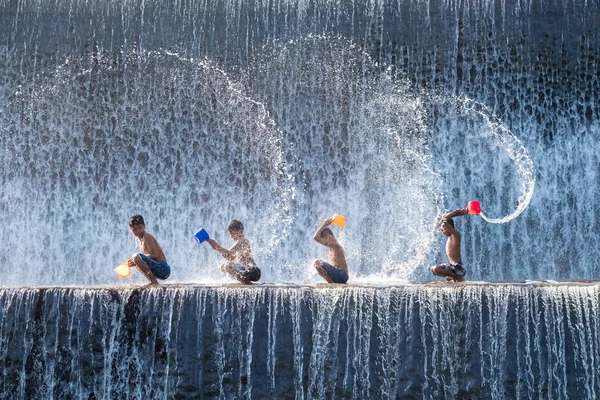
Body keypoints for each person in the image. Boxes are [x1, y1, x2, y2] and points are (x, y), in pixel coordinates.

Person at [207, 220, 261, 284]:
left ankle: (247, 283)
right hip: (246, 270)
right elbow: (229, 257)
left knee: (228, 266)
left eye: (232, 233)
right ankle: (246, 282)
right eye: (230, 233)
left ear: (240, 231)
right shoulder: (239, 242)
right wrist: (214, 245)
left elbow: (228, 253)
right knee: (224, 267)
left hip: (253, 270)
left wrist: (216, 245)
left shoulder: (243, 240)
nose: (231, 236)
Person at [127, 214, 171, 285]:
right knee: (135, 259)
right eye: (134, 229)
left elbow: (155, 255)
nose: (138, 231)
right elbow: (146, 261)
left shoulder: (146, 236)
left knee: (136, 257)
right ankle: (152, 282)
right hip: (159, 269)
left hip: (163, 268)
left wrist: (140, 258)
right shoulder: (140, 240)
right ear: (130, 229)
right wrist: (134, 262)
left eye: (140, 228)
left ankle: (153, 282)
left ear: (144, 226)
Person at [430, 206, 470, 282]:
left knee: (436, 269)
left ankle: (458, 276)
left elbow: (444, 220)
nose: (442, 232)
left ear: (449, 227)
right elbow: (442, 222)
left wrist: (456, 212)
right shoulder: (449, 236)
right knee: (433, 270)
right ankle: (453, 276)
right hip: (452, 267)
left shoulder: (455, 235)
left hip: (458, 267)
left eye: (443, 229)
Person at [312, 217, 349, 284]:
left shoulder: (335, 245)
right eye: (327, 238)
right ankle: (331, 282)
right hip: (341, 276)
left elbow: (315, 237)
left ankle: (331, 283)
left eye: (331, 236)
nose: (332, 239)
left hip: (341, 275)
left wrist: (325, 224)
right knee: (319, 269)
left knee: (317, 263)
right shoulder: (332, 249)